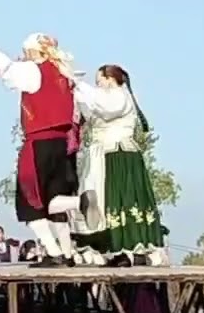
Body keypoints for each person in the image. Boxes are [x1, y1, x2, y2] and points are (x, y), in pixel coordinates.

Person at [0, 22, 95, 268]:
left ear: (33, 51)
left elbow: (1, 63)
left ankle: (55, 248)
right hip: (64, 144)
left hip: (39, 144)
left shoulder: (31, 71)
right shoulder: (65, 74)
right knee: (55, 200)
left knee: (30, 203)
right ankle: (66, 253)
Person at [70, 65, 165, 266]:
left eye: (100, 81)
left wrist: (81, 85)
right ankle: (115, 248)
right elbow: (90, 110)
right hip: (103, 154)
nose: (98, 86)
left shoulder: (119, 96)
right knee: (104, 200)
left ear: (110, 79)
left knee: (120, 197)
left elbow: (106, 110)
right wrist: (75, 90)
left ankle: (131, 247)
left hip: (118, 154)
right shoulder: (106, 98)